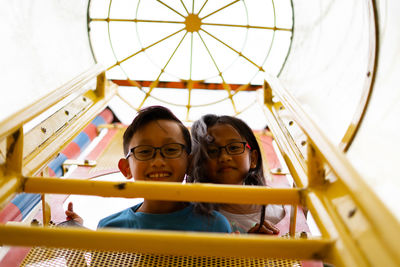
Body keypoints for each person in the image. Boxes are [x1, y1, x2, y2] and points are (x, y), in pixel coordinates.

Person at [65, 106, 231, 233]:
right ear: (126, 168)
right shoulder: (111, 228)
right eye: (144, 151)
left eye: (171, 149)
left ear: (189, 162)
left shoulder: (214, 226)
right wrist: (75, 244)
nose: (158, 161)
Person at [187, 114, 285, 234]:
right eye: (212, 151)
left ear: (253, 159)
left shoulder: (279, 206)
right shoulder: (195, 215)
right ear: (199, 162)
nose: (224, 157)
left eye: (234, 147)